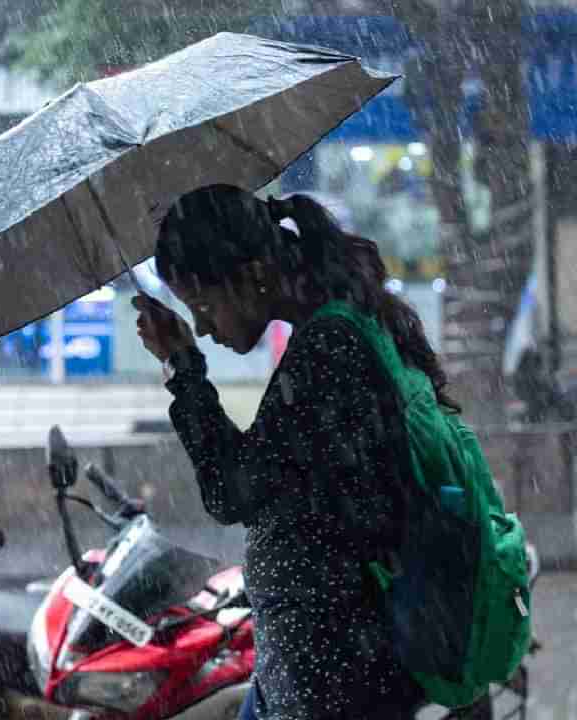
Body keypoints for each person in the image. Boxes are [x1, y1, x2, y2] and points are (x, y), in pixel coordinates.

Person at [133, 184, 461, 720]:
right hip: (315, 668)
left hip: (334, 680)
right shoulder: (336, 332)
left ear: (252, 276)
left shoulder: (327, 352)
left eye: (203, 304)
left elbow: (231, 489)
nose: (203, 325)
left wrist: (183, 368)